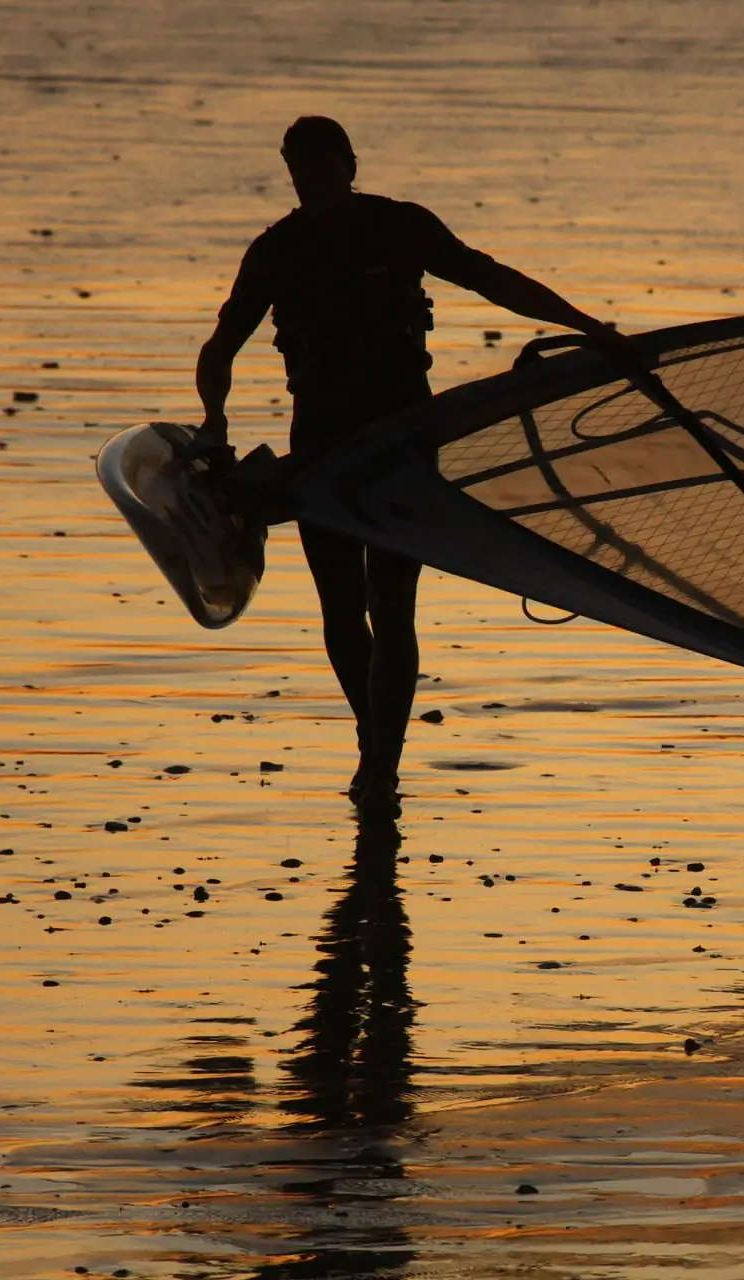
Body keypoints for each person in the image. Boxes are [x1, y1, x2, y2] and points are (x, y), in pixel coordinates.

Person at [193, 116, 635, 815]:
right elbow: (221, 348)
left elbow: (493, 280)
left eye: (323, 165)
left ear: (349, 163)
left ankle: (382, 766)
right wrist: (215, 421)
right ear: (290, 173)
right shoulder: (277, 251)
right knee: (340, 608)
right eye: (298, 168)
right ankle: (373, 743)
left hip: (402, 447)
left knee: (391, 606)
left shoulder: (402, 227)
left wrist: (589, 329)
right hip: (320, 452)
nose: (312, 179)